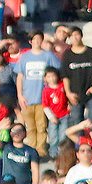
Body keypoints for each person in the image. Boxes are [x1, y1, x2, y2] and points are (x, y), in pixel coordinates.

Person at [15, 31, 61, 159]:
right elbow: (20, 76)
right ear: (30, 41)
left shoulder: (48, 56)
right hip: (27, 98)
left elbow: (58, 70)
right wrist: (20, 95)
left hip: (43, 99)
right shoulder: (24, 57)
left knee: (41, 126)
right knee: (30, 127)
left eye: (39, 39)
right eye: (34, 39)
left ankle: (40, 151)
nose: (37, 41)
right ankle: (32, 149)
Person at [61, 26, 92, 126]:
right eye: (72, 36)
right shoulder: (67, 54)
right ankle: (79, 141)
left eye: (77, 35)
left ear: (81, 36)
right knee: (76, 122)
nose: (75, 38)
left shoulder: (91, 52)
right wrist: (68, 93)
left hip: (90, 93)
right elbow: (65, 76)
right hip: (75, 94)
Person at [42, 67, 70, 159]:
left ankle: (62, 153)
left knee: (63, 135)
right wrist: (51, 117)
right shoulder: (46, 90)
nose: (52, 78)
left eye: (53, 76)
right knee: (53, 136)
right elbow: (45, 106)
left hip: (64, 115)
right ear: (45, 78)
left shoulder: (62, 86)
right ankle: (53, 154)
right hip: (53, 117)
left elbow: (67, 98)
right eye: (49, 76)